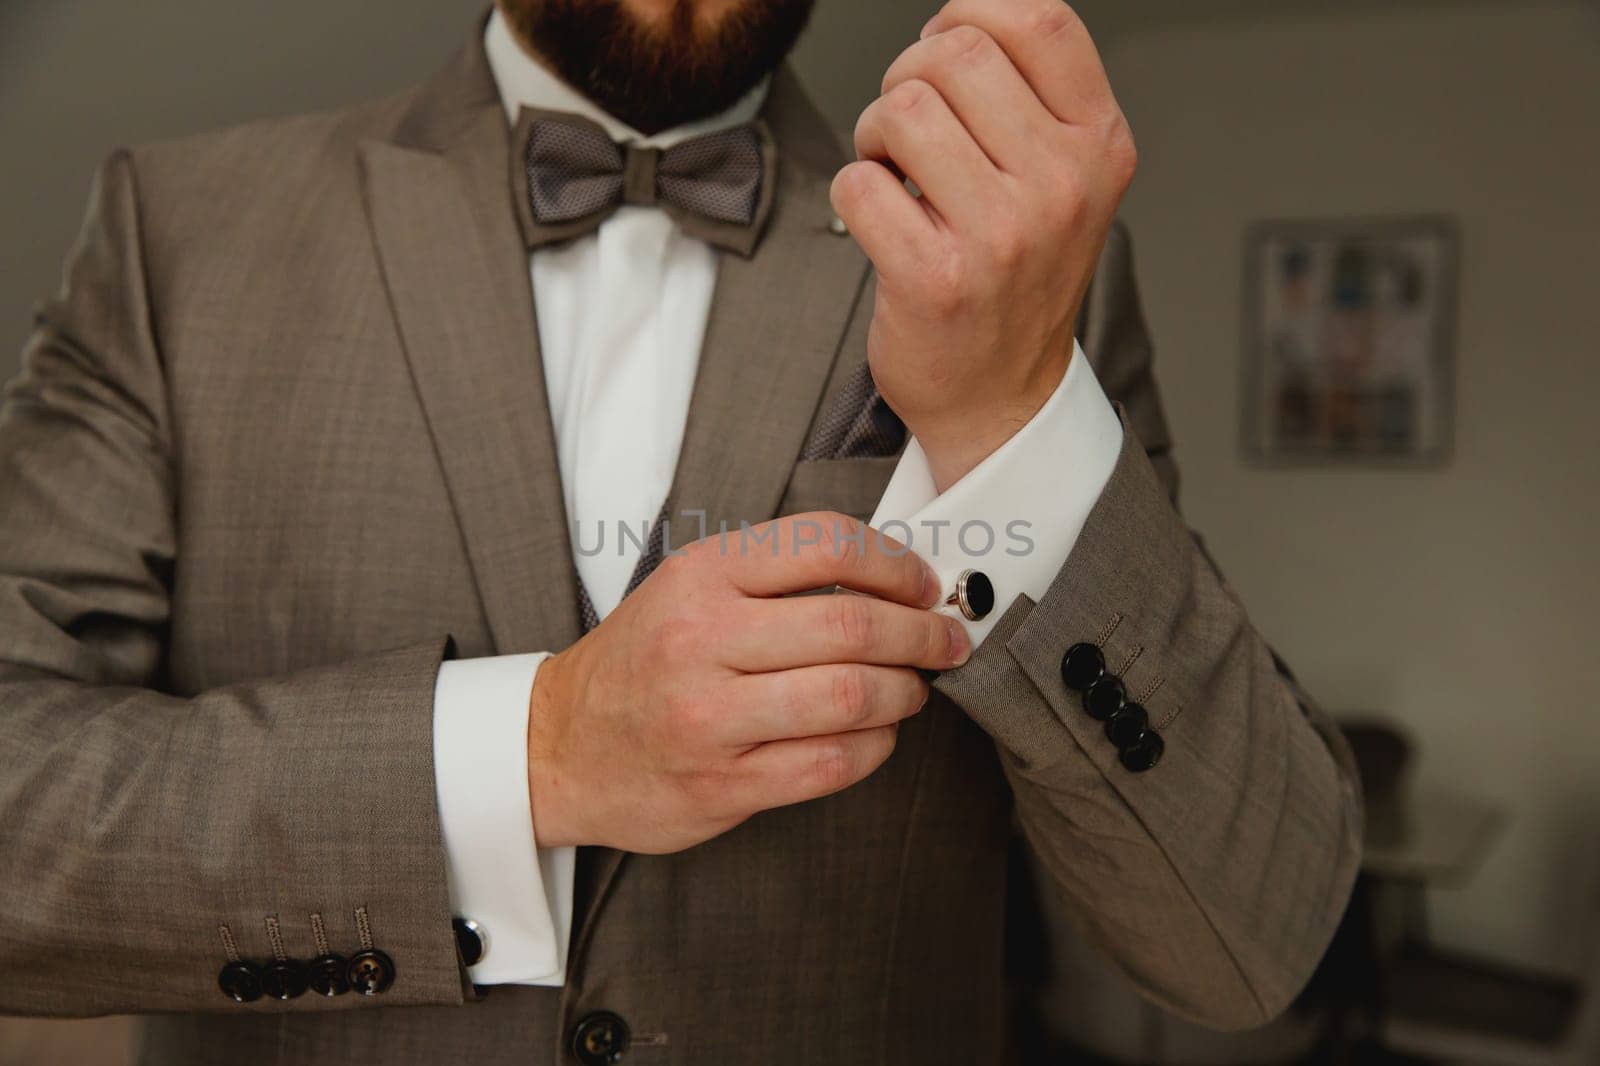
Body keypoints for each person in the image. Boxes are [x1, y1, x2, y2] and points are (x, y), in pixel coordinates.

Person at [0, 1, 1362, 1063]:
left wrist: (1011, 422)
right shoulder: (180, 233)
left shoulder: (1014, 257)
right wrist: (538, 748)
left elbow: (1248, 939)